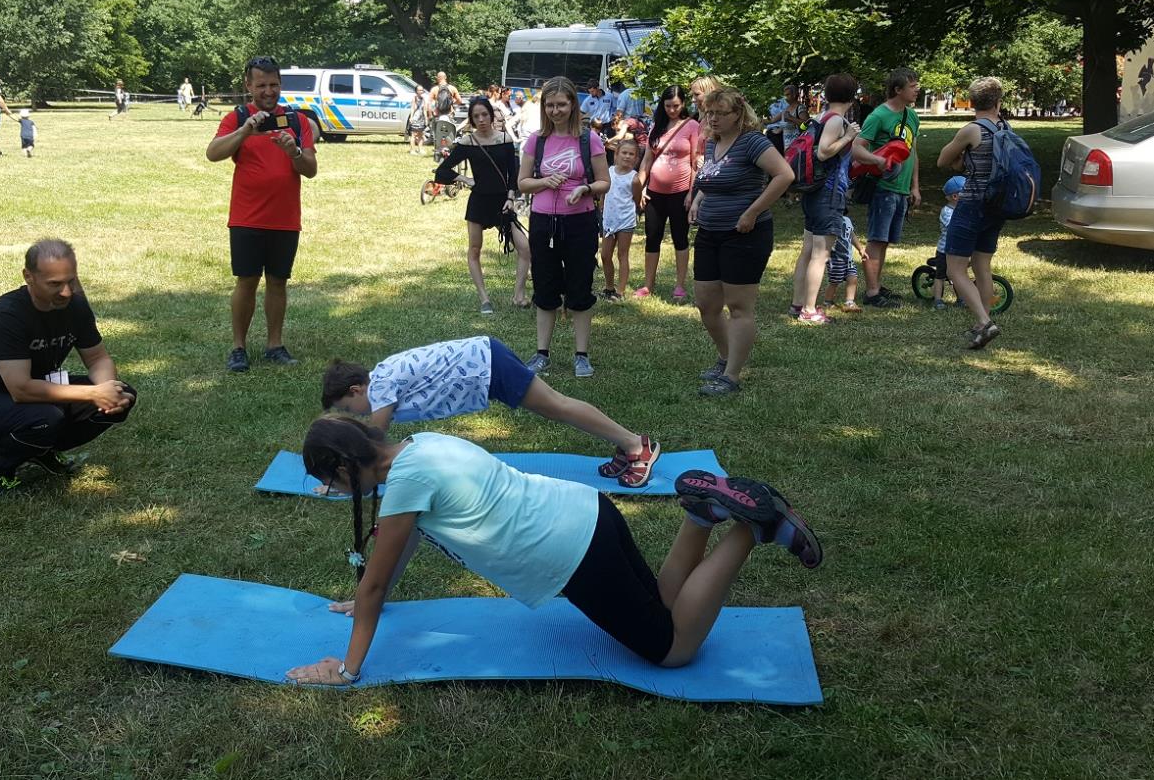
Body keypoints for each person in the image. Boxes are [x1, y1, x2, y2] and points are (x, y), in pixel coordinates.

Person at [283, 418, 820, 686]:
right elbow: (399, 553)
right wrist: (364, 598)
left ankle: (752, 527)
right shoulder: (424, 443)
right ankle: (700, 514)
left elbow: (374, 581)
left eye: (331, 482)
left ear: (343, 468)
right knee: (658, 604)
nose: (335, 491)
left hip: (572, 554)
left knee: (673, 650)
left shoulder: (402, 487)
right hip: (590, 512)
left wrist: (348, 668)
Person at [321, 336, 660, 486]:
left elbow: (373, 441)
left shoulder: (380, 386)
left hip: (486, 367)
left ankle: (635, 445)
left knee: (558, 406)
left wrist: (342, 476)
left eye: (350, 408)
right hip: (484, 362)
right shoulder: (382, 378)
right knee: (558, 406)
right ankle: (627, 443)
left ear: (356, 389)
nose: (359, 415)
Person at [0, 239, 138, 489]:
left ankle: (39, 449)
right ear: (29, 276)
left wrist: (108, 390)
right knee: (45, 417)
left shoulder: (75, 305)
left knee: (123, 395)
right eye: (55, 284)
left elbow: (97, 358)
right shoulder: (7, 315)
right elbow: (21, 389)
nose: (66, 292)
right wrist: (93, 393)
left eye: (70, 281)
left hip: (41, 389)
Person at [206, 55, 320, 372]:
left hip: (285, 218)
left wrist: (294, 152)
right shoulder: (238, 117)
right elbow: (213, 153)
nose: (268, 91)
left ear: (280, 84)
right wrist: (244, 131)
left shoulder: (296, 121)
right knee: (246, 281)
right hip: (247, 217)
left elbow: (310, 170)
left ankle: (274, 345)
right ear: (249, 86)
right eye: (261, 85)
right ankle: (238, 348)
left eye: (273, 85)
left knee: (278, 282)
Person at [691, 87, 795, 396]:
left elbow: (784, 176)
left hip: (745, 233)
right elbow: (714, 178)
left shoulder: (753, 142)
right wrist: (698, 198)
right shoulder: (714, 144)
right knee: (707, 304)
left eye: (720, 113)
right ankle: (725, 358)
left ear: (739, 115)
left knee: (738, 306)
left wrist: (752, 211)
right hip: (710, 231)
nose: (713, 119)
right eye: (709, 113)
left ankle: (732, 376)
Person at [515, 76, 610, 378]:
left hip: (580, 221)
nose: (556, 110)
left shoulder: (588, 139)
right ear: (544, 107)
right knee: (545, 286)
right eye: (550, 105)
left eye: (562, 104)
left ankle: (581, 355)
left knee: (580, 286)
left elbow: (604, 181)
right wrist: (544, 181)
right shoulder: (536, 140)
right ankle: (542, 353)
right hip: (544, 222)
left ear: (572, 104)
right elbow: (522, 182)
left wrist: (585, 189)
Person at [434, 96, 531, 312]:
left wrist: (510, 197)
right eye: (476, 116)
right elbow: (442, 171)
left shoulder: (505, 140)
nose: (481, 119)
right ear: (472, 118)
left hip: (502, 202)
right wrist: (465, 179)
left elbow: (512, 174)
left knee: (525, 248)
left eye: (484, 114)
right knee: (475, 249)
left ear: (491, 114)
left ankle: (518, 295)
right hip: (478, 202)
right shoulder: (468, 142)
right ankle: (484, 299)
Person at [936, 77, 1010, 349]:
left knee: (956, 269)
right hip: (996, 206)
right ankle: (982, 325)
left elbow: (943, 160)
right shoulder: (1005, 127)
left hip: (972, 204)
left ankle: (985, 322)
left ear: (973, 102)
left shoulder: (972, 130)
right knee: (982, 265)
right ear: (998, 102)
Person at [789, 74, 863, 324]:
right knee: (820, 254)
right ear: (852, 97)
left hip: (813, 191)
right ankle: (809, 311)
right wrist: (848, 136)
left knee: (808, 251)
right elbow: (823, 153)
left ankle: (798, 304)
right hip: (828, 194)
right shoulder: (836, 121)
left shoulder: (820, 117)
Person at [853, 68, 922, 308]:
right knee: (876, 240)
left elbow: (912, 151)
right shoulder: (878, 116)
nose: (917, 89)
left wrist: (915, 186)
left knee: (884, 241)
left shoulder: (912, 117)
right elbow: (857, 148)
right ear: (898, 89)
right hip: (883, 187)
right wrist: (878, 161)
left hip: (901, 189)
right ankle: (872, 293)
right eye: (913, 86)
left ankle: (876, 286)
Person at [635, 85, 698, 304]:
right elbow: (648, 159)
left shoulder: (692, 126)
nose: (672, 110)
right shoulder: (657, 126)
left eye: (676, 106)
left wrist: (692, 192)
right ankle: (648, 284)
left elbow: (695, 162)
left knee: (680, 238)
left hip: (680, 192)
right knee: (653, 237)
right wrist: (642, 186)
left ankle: (680, 285)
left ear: (683, 104)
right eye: (668, 106)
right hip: (654, 192)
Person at [600, 138, 641, 300]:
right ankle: (609, 287)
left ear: (636, 158)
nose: (627, 156)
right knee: (605, 255)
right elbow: (604, 192)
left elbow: (636, 199)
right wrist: (602, 203)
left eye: (631, 154)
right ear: (616, 155)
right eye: (624, 153)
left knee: (622, 254)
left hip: (625, 221)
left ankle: (620, 291)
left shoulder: (634, 178)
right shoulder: (608, 172)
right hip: (609, 220)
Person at [928, 176, 964, 308]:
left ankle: (960, 298)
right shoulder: (947, 212)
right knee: (940, 275)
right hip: (945, 251)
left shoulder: (962, 211)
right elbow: (952, 227)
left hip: (957, 251)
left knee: (958, 275)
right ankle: (938, 299)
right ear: (955, 196)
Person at [820, 214, 867, 313]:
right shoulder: (829, 220)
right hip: (835, 258)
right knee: (835, 281)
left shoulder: (847, 220)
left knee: (853, 277)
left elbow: (851, 235)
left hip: (848, 257)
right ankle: (827, 302)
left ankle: (849, 302)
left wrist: (860, 249)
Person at [429, 71, 461, 156]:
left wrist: (433, 110)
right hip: (449, 114)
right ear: (446, 77)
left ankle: (437, 150)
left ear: (437, 78)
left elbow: (429, 102)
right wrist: (451, 103)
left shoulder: (434, 89)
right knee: (450, 132)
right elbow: (459, 100)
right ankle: (449, 148)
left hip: (438, 115)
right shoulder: (452, 88)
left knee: (437, 133)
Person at [766, 83, 799, 155]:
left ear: (794, 95)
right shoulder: (787, 108)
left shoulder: (800, 108)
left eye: (788, 95)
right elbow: (772, 120)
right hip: (786, 140)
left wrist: (782, 128)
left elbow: (805, 125)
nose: (786, 97)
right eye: (785, 95)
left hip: (793, 140)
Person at [406, 86, 429, 155]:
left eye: (422, 90)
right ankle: (412, 150)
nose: (421, 91)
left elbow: (424, 110)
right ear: (416, 91)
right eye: (419, 90)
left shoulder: (423, 99)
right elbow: (412, 108)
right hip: (415, 118)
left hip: (421, 119)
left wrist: (426, 119)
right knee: (413, 135)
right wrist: (411, 117)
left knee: (421, 135)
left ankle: (420, 149)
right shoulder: (414, 98)